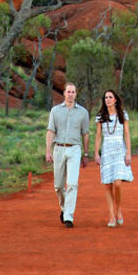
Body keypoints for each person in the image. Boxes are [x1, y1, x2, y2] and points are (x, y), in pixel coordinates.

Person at [46, 82, 90, 228]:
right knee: (58, 186)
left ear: (76, 94)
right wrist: (48, 150)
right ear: (64, 93)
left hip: (74, 149)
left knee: (72, 183)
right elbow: (51, 131)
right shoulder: (55, 111)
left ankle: (68, 216)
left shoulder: (83, 112)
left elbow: (85, 134)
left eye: (73, 92)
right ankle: (64, 209)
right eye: (68, 92)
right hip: (58, 148)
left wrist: (86, 153)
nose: (71, 95)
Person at [94, 88, 133, 227]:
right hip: (106, 151)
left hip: (119, 150)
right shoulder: (100, 116)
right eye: (106, 98)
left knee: (117, 183)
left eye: (110, 97)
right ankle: (111, 215)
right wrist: (96, 153)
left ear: (115, 100)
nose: (108, 99)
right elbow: (98, 135)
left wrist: (128, 152)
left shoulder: (123, 115)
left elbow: (127, 133)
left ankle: (119, 209)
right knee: (107, 184)